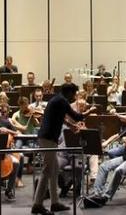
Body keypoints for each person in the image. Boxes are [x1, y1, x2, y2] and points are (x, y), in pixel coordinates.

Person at [32, 83, 94, 215]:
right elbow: (77, 116)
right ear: (70, 93)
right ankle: (37, 204)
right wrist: (90, 111)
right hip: (48, 139)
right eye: (74, 94)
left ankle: (54, 203)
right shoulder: (62, 101)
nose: (74, 97)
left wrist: (70, 126)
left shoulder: (56, 99)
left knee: (53, 170)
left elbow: (60, 118)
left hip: (47, 137)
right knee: (47, 170)